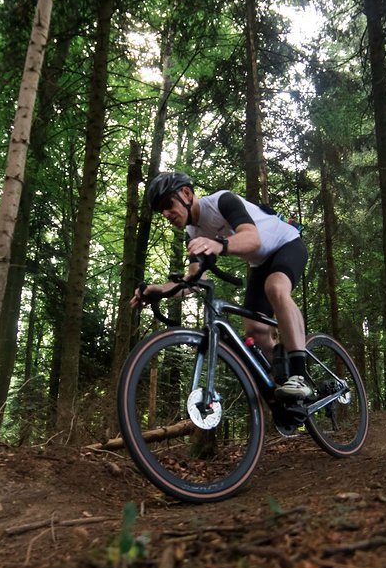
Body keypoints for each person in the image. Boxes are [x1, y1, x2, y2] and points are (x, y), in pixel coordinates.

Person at [132, 171, 312, 401]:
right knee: (255, 331)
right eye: (161, 210)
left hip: (287, 243)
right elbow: (195, 281)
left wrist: (218, 244)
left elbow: (252, 238)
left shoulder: (221, 201)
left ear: (187, 193)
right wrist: (158, 290)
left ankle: (299, 375)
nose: (166, 214)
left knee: (276, 287)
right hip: (260, 262)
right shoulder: (192, 232)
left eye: (168, 204)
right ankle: (284, 385)